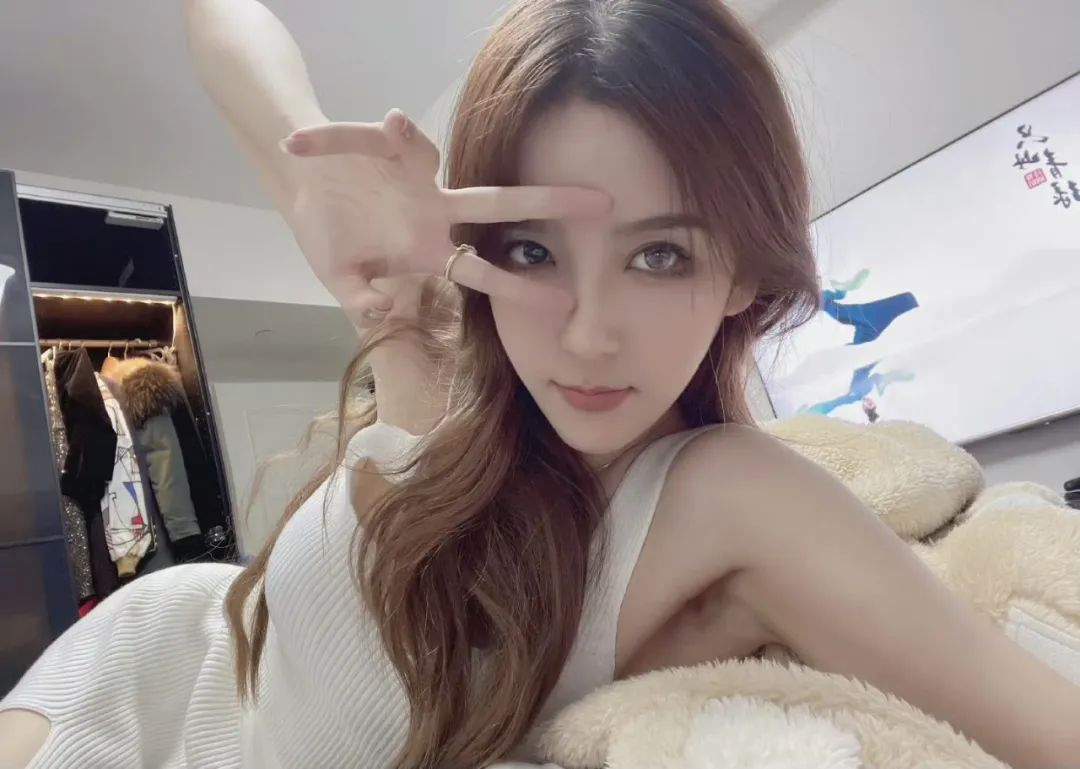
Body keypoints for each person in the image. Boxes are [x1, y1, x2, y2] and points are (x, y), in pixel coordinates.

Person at [3, 0, 1080, 767]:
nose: (587, 333)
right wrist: (308, 165)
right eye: (533, 250)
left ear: (744, 270)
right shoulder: (439, 346)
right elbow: (217, 21)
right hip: (147, 663)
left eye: (659, 253)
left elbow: (1039, 723)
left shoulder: (734, 492)